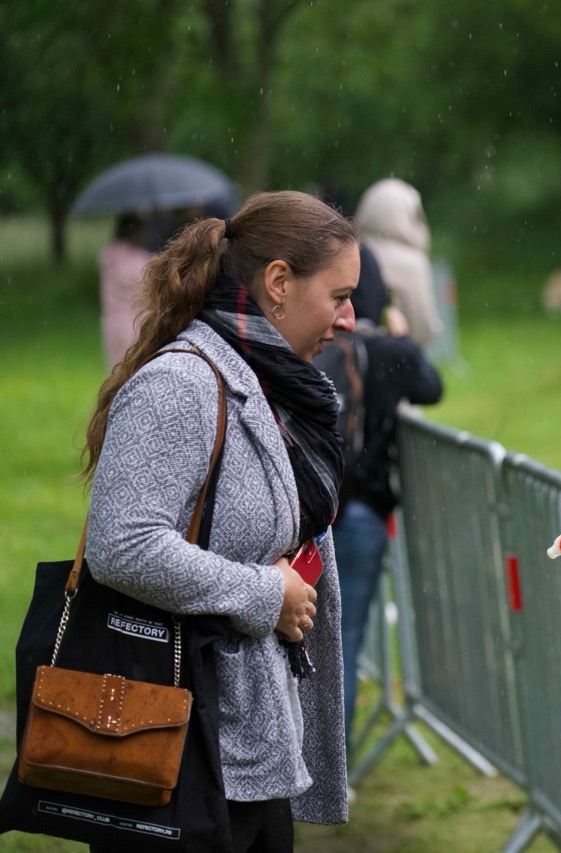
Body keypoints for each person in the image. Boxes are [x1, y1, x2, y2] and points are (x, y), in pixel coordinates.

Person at [82, 191, 356, 849]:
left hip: (250, 752)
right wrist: (266, 594)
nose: (350, 319)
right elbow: (120, 543)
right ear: (279, 283)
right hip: (174, 753)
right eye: (339, 296)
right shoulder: (180, 383)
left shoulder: (271, 384)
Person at [322, 292, 444, 748]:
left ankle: (294, 772)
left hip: (305, 512)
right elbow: (432, 389)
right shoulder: (390, 351)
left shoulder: (305, 340)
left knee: (298, 646)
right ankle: (335, 771)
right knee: (343, 642)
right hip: (361, 511)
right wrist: (403, 338)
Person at [354, 178, 441, 347]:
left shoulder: (351, 249)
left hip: (351, 348)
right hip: (394, 350)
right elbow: (421, 325)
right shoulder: (412, 263)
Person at [98, 212, 152, 369]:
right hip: (135, 324)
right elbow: (149, 292)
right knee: (134, 371)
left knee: (115, 371)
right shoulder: (139, 261)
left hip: (111, 322)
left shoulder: (108, 257)